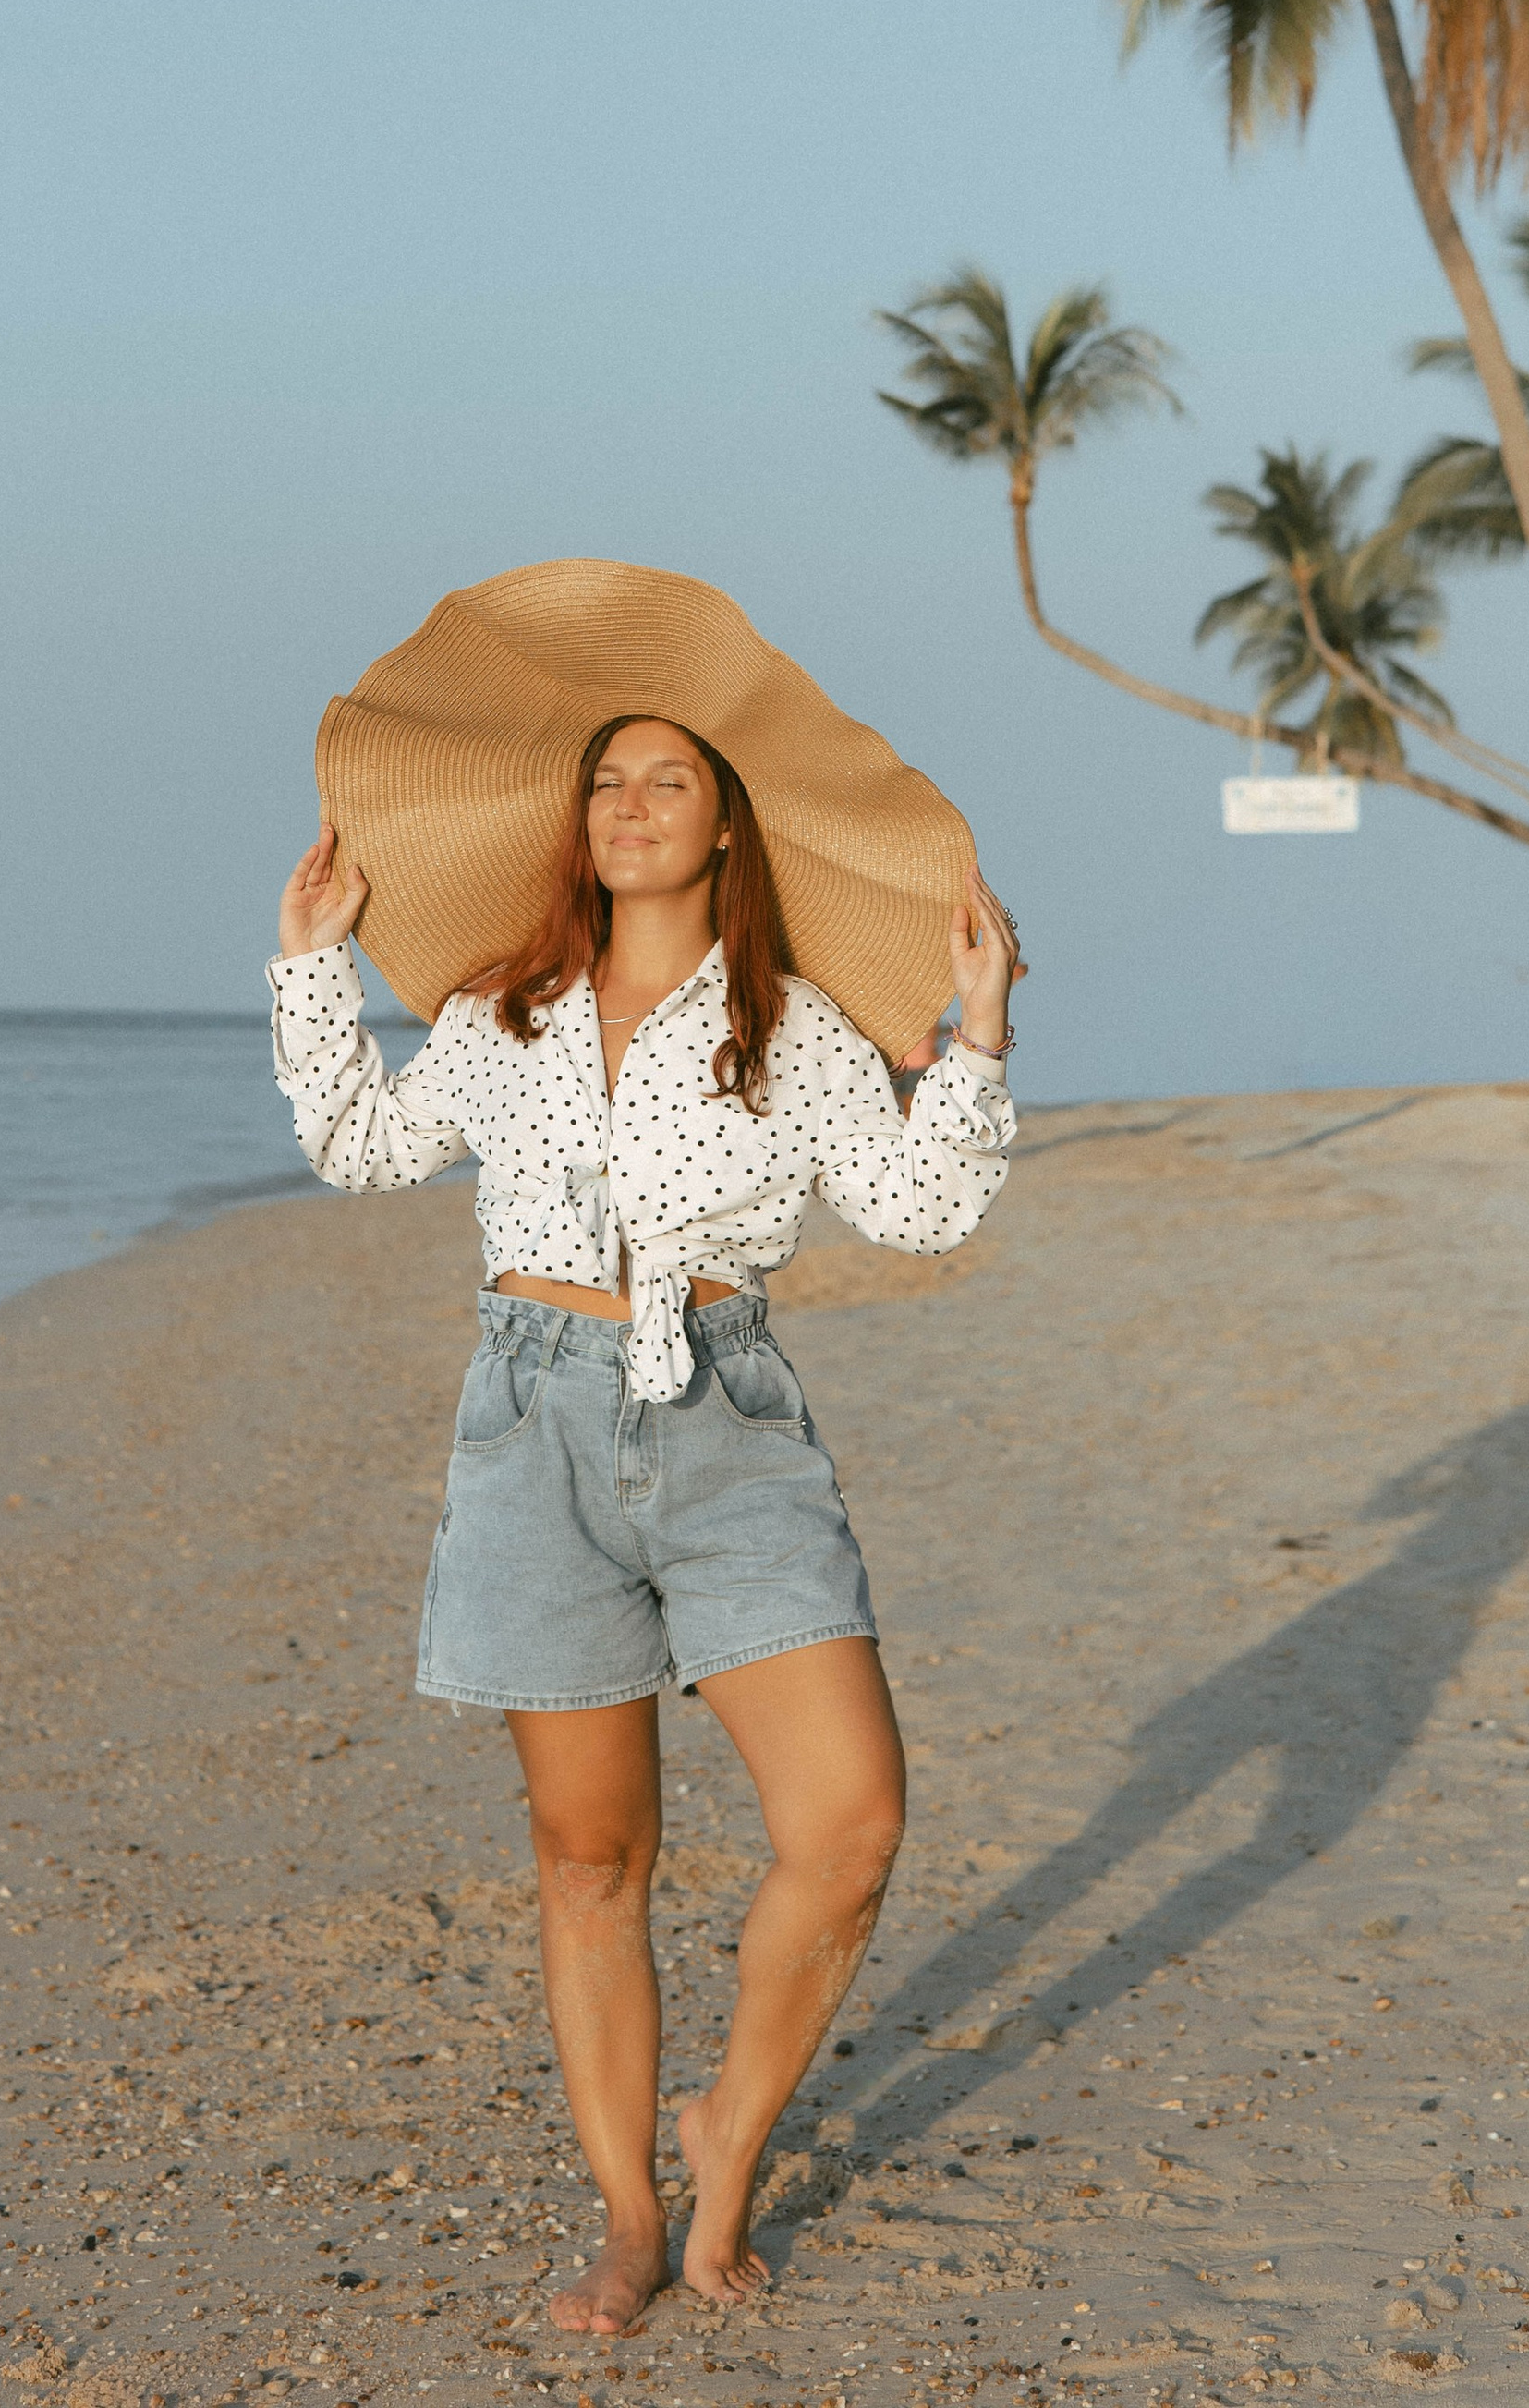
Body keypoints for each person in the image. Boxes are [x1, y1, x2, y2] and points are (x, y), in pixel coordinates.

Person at [270, 700, 1023, 2337]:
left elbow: (921, 1204)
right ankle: (627, 2217)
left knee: (851, 1823)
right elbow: (355, 1140)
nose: (629, 805)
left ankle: (726, 2148)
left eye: (666, 779)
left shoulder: (791, 1025)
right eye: (607, 782)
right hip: (532, 1422)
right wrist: (310, 964)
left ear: (729, 820)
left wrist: (974, 1031)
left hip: (730, 1424)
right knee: (590, 1853)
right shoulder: (502, 1010)